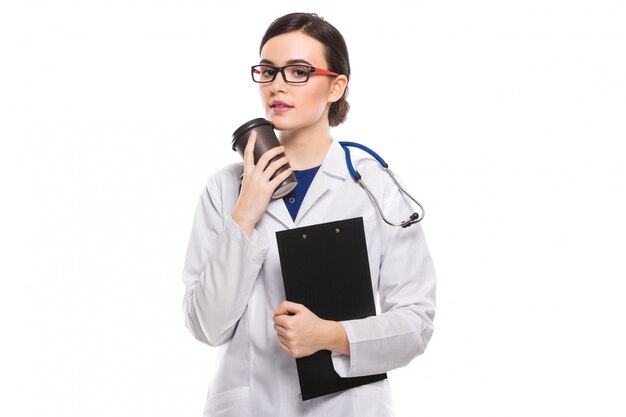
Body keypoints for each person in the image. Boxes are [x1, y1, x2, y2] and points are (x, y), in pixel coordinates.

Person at [181, 12, 436, 417]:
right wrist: (246, 212)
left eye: (298, 71)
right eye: (268, 71)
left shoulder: (372, 186)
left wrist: (332, 335)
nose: (277, 85)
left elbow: (416, 323)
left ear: (335, 86)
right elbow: (207, 326)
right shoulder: (226, 188)